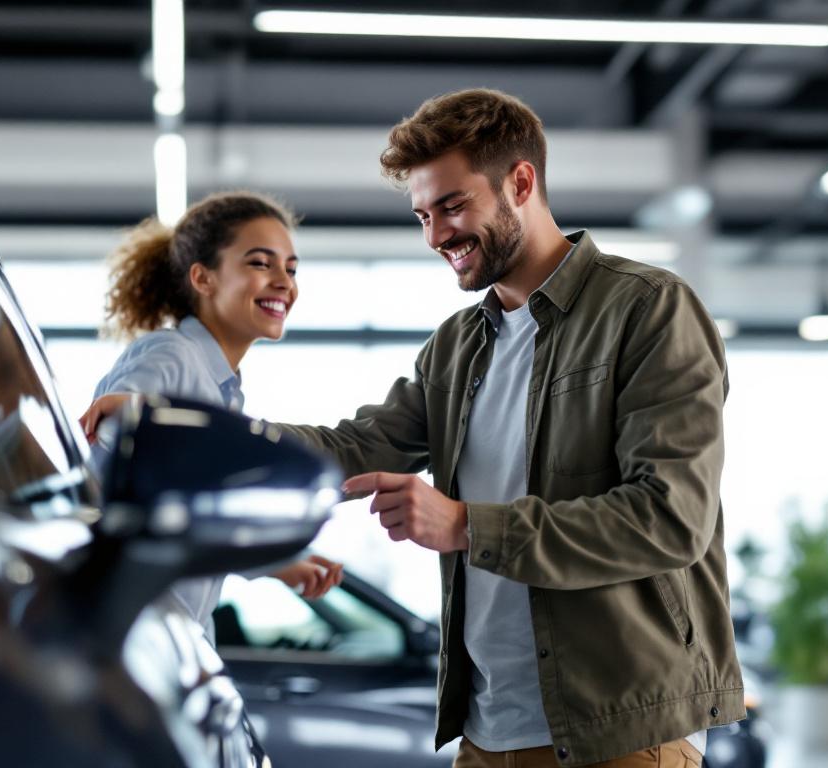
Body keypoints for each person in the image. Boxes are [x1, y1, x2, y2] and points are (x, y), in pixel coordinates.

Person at [275, 90, 743, 768]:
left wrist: (467, 525)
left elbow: (670, 519)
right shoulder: (456, 346)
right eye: (424, 215)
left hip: (619, 734)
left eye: (454, 206)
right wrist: (187, 427)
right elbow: (353, 448)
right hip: (488, 733)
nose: (436, 236)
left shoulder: (648, 310)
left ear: (521, 182)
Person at [78, 191, 343, 641]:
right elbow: (112, 428)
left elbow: (184, 516)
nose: (284, 281)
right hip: (136, 640)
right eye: (261, 263)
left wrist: (275, 564)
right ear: (203, 278)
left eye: (291, 268)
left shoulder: (222, 387)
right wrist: (131, 416)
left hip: (179, 642)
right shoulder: (171, 353)